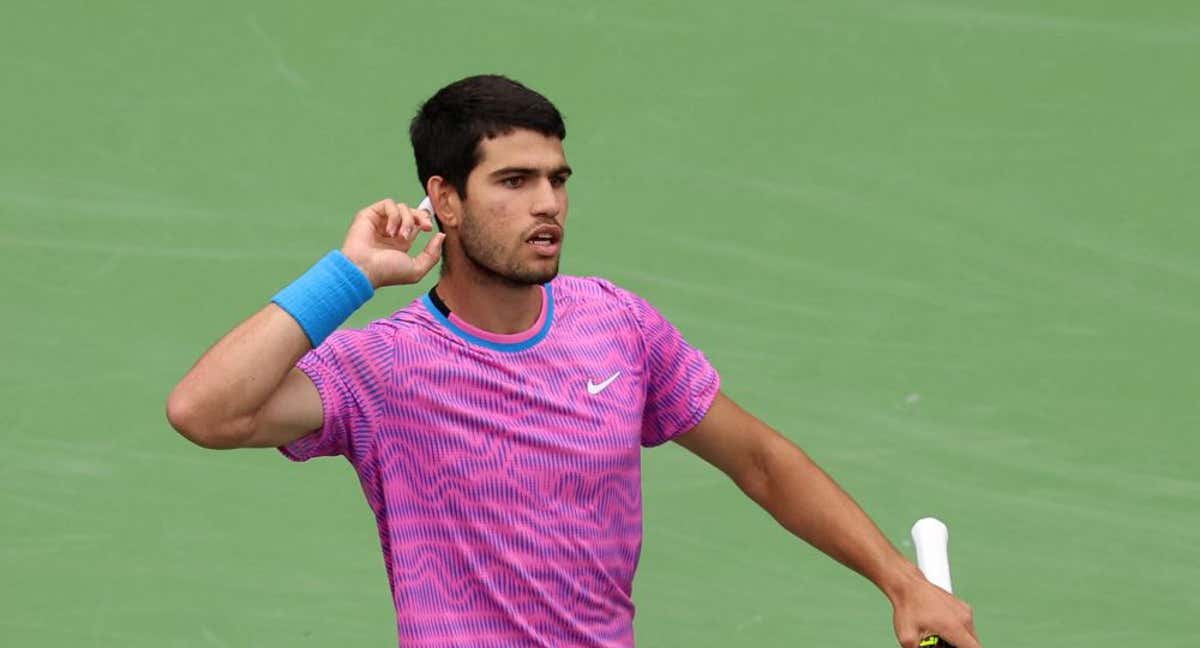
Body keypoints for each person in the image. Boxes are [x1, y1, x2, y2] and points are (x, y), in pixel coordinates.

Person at [166, 74, 981, 648]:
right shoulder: (384, 368)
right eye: (514, 181)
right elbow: (205, 411)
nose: (548, 203)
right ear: (442, 201)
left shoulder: (615, 323)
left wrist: (900, 580)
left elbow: (762, 460)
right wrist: (348, 276)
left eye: (557, 179)